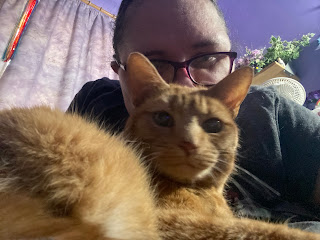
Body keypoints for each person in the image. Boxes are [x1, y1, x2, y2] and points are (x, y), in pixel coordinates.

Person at [68, 0, 320, 225]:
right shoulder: (96, 100)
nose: (185, 84)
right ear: (119, 71)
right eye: (155, 63)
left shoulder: (272, 112)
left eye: (207, 58)